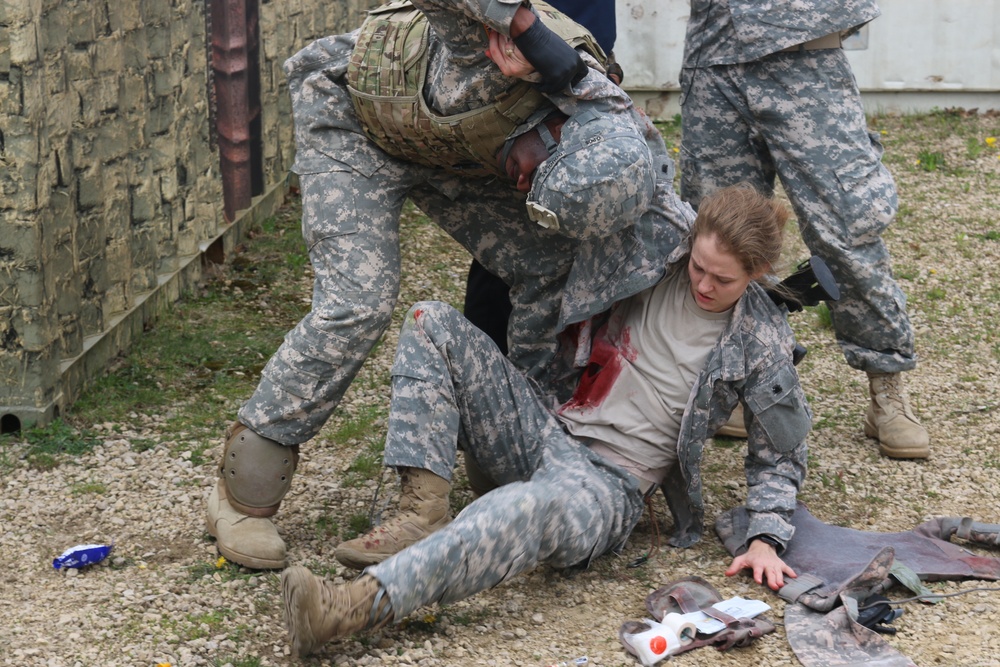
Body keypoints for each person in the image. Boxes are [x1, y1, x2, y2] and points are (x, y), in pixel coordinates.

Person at [205, 0, 673, 570]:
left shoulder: (611, 126)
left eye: (533, 185)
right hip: (357, 123)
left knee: (547, 268)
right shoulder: (504, 44)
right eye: (533, 174)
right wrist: (519, 22)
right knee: (358, 302)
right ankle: (244, 491)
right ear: (554, 130)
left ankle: (507, 441)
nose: (523, 187)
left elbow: (685, 221)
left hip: (452, 151)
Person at [281, 184, 811, 658]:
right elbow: (624, 165)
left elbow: (781, 452)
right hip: (546, 421)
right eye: (699, 266)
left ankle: (346, 610)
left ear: (757, 274)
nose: (702, 284)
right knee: (432, 322)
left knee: (528, 506)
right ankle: (423, 510)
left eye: (722, 279)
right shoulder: (661, 245)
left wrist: (766, 534)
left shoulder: (763, 342)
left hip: (608, 484)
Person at [679, 0, 928, 459]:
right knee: (718, 234)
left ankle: (886, 388)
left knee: (844, 226)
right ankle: (735, 382)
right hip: (714, 50)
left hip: (802, 44)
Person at [463, 0, 620, 355]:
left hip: (582, 79)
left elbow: (596, 26)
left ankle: (557, 375)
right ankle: (485, 376)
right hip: (513, 78)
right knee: (507, 234)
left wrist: (607, 70)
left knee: (584, 233)